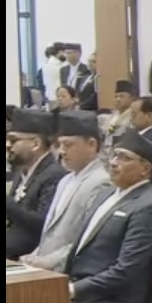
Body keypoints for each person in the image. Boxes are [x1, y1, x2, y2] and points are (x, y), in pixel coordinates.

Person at [66, 129, 152, 303]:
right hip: (77, 294)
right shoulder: (104, 194)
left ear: (145, 169)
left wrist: (74, 289)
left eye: (124, 158)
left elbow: (126, 270)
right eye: (114, 155)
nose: (113, 163)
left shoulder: (148, 207)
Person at [18, 111, 114, 272]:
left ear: (91, 144)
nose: (62, 151)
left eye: (68, 145)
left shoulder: (102, 182)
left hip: (69, 271)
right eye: (60, 145)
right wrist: (34, 256)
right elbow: (50, 233)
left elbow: (87, 239)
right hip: (44, 267)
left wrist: (47, 262)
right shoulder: (65, 180)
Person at [7, 108, 70, 261]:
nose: (8, 145)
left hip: (32, 254)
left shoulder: (54, 175)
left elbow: (43, 224)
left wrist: (8, 204)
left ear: (35, 144)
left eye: (13, 140)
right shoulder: (21, 171)